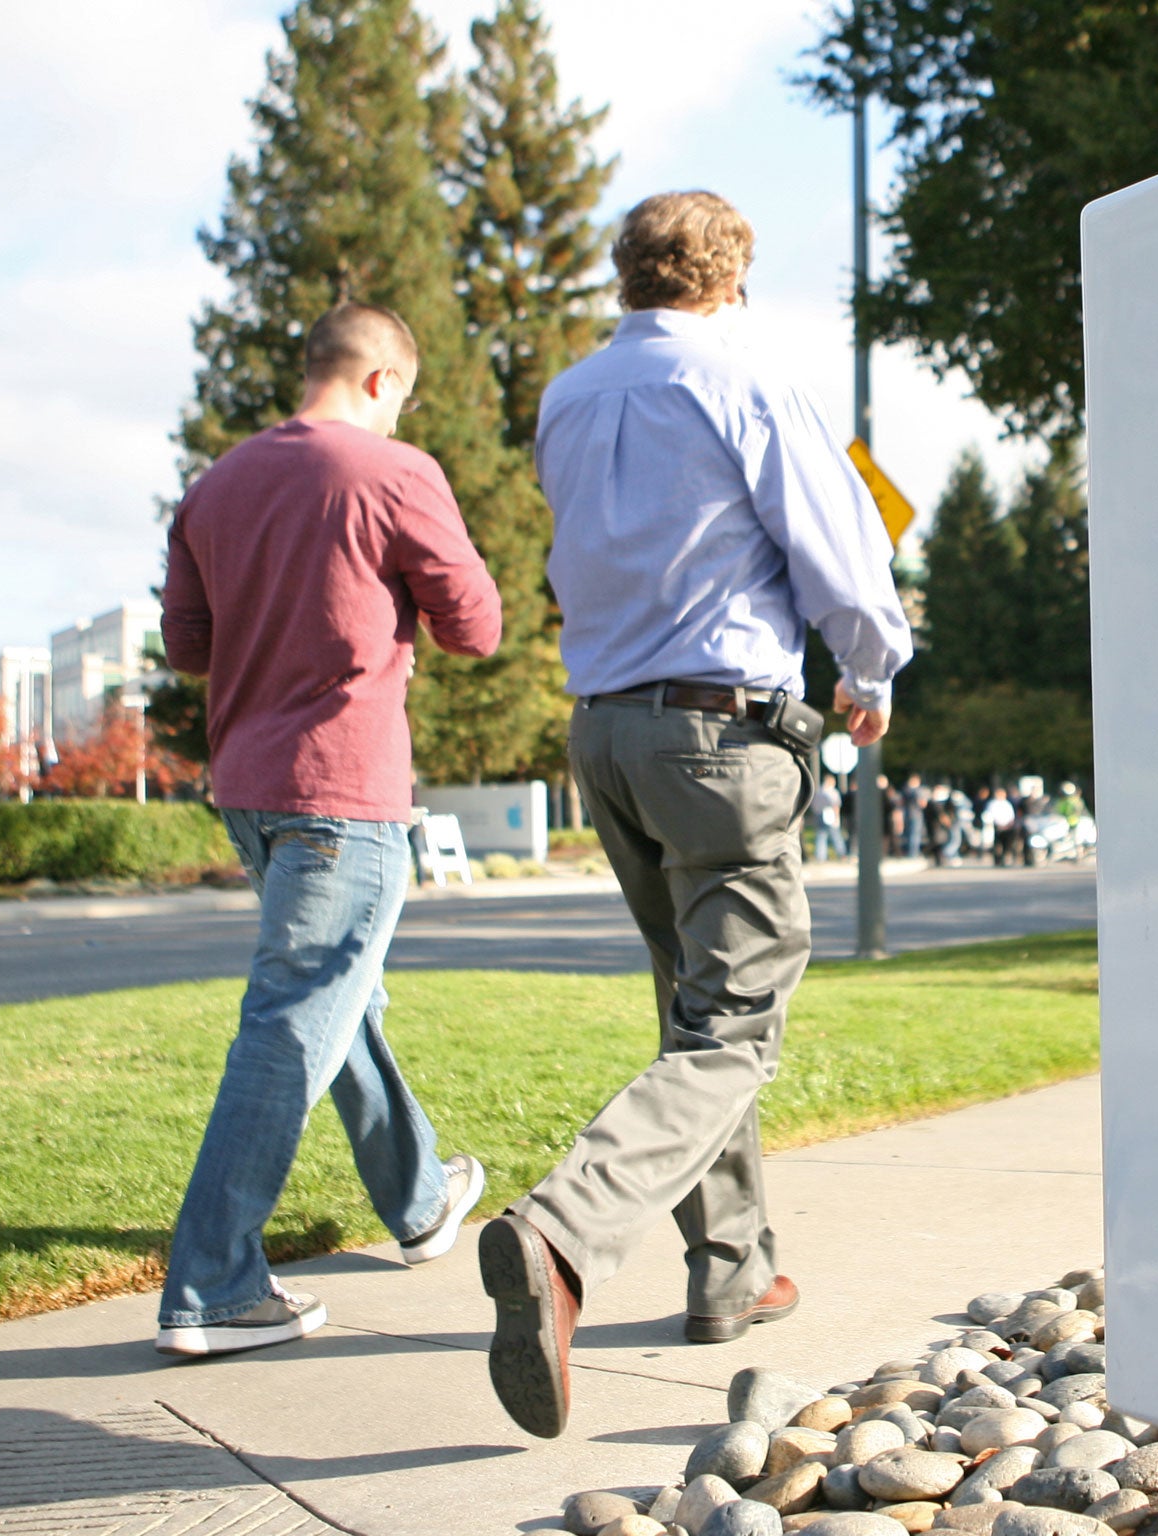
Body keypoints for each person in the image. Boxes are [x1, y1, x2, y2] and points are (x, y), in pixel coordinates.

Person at [479, 190, 913, 1439]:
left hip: (607, 732)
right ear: (729, 280)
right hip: (721, 731)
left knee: (694, 1013)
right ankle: (561, 1236)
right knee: (733, 1026)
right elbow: (839, 554)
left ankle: (730, 1273)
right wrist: (869, 672)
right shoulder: (746, 381)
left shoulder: (567, 398)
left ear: (630, 277)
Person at [155, 301, 501, 1357]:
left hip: (251, 790)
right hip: (340, 790)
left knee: (334, 1002)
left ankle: (417, 1200)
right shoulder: (394, 473)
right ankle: (211, 1285)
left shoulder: (213, 486)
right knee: (293, 1021)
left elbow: (186, 645)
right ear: (385, 381)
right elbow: (476, 626)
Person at [811, 773, 847, 861]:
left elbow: (814, 805)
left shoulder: (819, 791)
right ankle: (841, 853)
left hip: (820, 815)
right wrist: (837, 818)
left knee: (821, 836)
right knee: (836, 835)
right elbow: (836, 806)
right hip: (830, 815)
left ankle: (820, 856)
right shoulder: (833, 792)